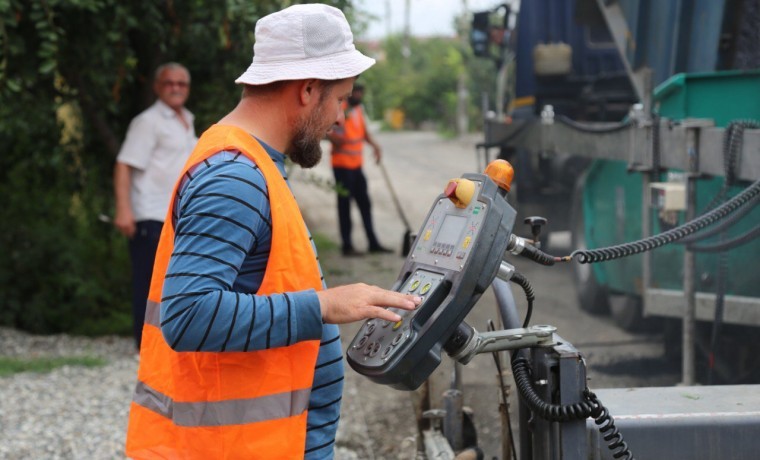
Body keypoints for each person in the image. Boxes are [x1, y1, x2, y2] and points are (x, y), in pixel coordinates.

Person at [125, 4, 421, 460]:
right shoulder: (234, 177)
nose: (341, 118)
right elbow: (187, 316)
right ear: (307, 90)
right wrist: (323, 306)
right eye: (340, 99)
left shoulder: (251, 163)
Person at [113, 62, 196, 350]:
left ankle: (166, 343)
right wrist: (124, 209)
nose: (175, 88)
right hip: (150, 214)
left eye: (181, 83)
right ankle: (145, 345)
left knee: (172, 282)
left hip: (178, 217)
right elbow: (124, 164)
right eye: (169, 83)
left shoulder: (187, 119)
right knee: (148, 283)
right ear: (157, 87)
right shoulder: (147, 122)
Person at [327, 83, 393, 256]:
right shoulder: (340, 110)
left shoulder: (357, 110)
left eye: (361, 93)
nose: (359, 96)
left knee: (365, 203)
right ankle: (347, 246)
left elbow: (364, 133)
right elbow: (329, 132)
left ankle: (373, 243)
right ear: (350, 93)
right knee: (344, 206)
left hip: (356, 166)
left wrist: (376, 147)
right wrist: (336, 138)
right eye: (356, 93)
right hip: (341, 165)